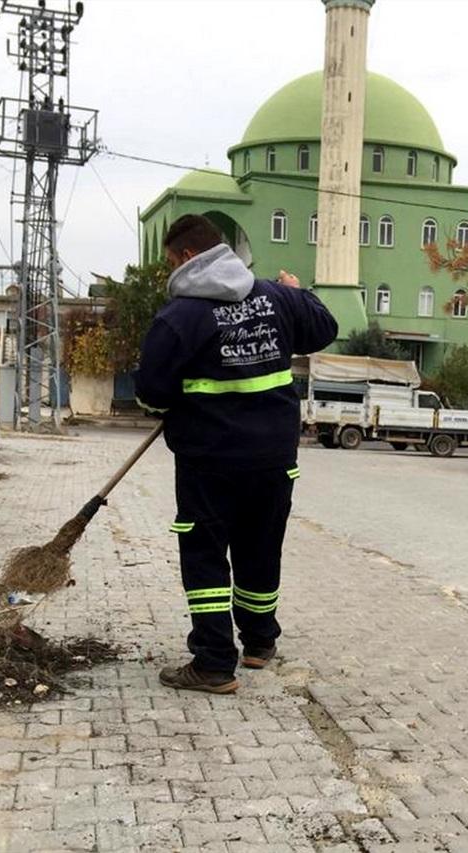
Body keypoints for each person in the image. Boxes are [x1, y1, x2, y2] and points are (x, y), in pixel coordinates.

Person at [133, 213, 338, 693]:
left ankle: (213, 662)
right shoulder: (278, 298)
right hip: (273, 460)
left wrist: (183, 395)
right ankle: (260, 643)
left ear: (187, 257)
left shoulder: (179, 318)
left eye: (169, 261)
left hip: (209, 463)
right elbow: (324, 328)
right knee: (260, 548)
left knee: (206, 556)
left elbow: (150, 397)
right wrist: (301, 292)